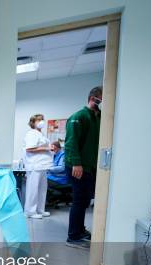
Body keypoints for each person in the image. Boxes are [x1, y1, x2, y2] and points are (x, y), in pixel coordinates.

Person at [64, 86, 102, 248]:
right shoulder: (79, 117)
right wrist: (76, 163)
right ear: (94, 98)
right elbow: (71, 142)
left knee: (85, 200)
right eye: (102, 97)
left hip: (90, 166)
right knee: (79, 201)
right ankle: (73, 237)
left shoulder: (99, 117)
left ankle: (80, 230)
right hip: (77, 166)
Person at [24, 114, 52, 219]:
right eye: (38, 120)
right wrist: (46, 148)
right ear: (33, 122)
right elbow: (29, 149)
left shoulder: (41, 134)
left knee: (42, 189)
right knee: (33, 189)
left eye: (42, 119)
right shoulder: (32, 133)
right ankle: (30, 212)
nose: (41, 121)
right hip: (35, 166)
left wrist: (49, 148)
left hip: (43, 166)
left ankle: (40, 209)